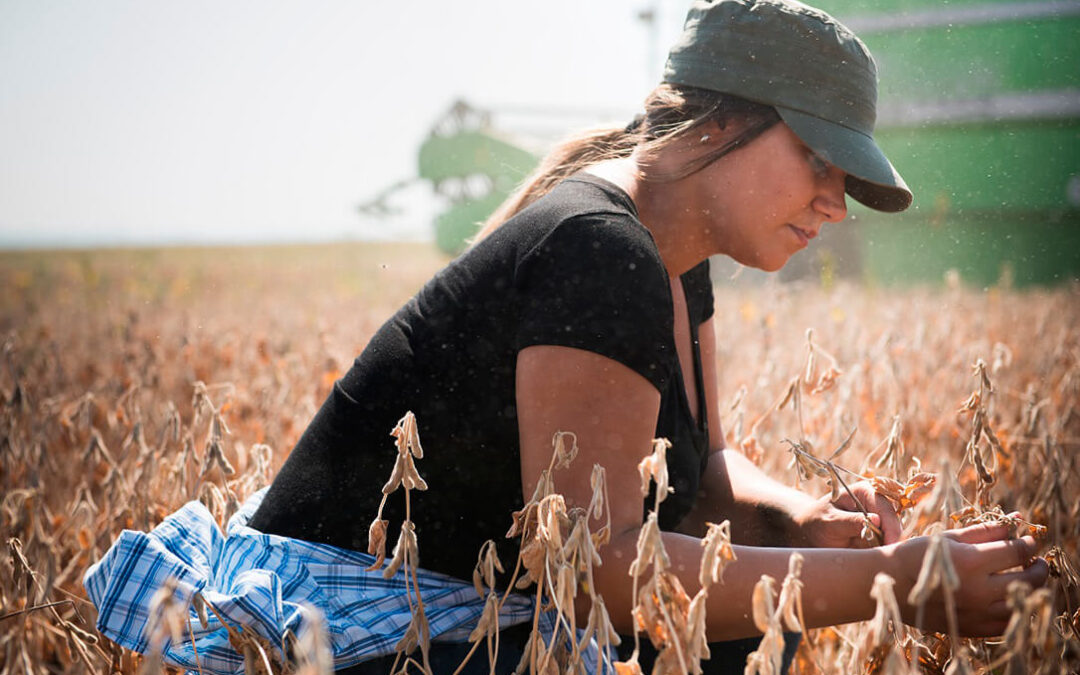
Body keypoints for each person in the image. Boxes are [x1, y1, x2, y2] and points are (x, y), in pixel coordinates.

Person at [84, 0, 1049, 673]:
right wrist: (895, 579)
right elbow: (603, 565)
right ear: (724, 123)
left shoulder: (674, 256)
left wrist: (802, 522)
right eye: (821, 161)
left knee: (749, 621)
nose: (837, 204)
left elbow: (703, 474)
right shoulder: (601, 251)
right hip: (352, 626)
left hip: (472, 609)